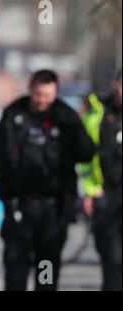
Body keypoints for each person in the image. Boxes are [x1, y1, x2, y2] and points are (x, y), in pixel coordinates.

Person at [0, 70, 96, 291]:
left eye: (47, 96)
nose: (42, 101)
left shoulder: (65, 116)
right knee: (15, 268)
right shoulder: (14, 113)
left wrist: (72, 127)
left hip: (53, 209)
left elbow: (86, 153)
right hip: (18, 206)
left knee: (46, 269)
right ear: (31, 89)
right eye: (38, 94)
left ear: (56, 93)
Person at [93, 70, 122, 290]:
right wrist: (91, 189)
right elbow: (86, 155)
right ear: (116, 84)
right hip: (107, 192)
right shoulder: (98, 113)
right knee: (111, 257)